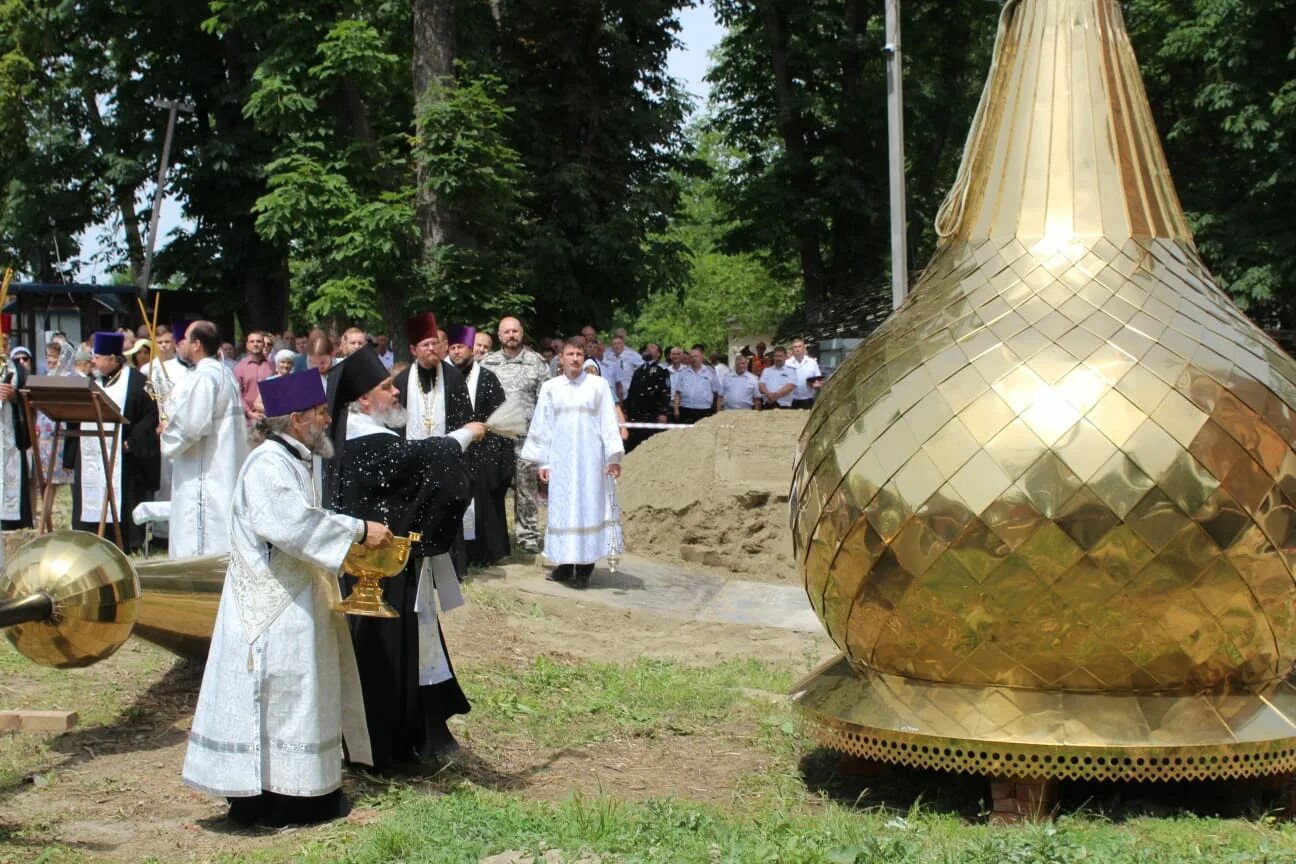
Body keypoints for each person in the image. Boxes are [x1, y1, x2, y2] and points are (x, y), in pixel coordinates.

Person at [182, 369, 391, 827]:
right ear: (296, 419)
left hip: (293, 595)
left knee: (298, 698)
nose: (325, 421)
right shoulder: (267, 465)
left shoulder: (291, 459)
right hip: (270, 608)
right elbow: (293, 525)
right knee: (284, 699)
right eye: (319, 413)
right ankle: (280, 801)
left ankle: (300, 795)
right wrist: (358, 529)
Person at [329, 347, 486, 769]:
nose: (395, 392)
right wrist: (466, 434)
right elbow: (424, 460)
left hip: (358, 571)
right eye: (385, 388)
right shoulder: (367, 441)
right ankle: (389, 747)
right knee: (385, 657)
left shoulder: (346, 439)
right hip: (380, 575)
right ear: (363, 400)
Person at [521, 339, 624, 589]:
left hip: (591, 461)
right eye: (570, 354)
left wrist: (613, 458)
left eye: (579, 354)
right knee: (563, 510)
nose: (575, 358)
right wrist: (543, 461)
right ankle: (565, 566)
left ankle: (585, 568)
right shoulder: (550, 388)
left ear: (584, 357)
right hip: (561, 460)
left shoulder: (598, 386)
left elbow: (608, 423)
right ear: (562, 358)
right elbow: (542, 426)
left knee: (588, 509)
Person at [63, 332, 159, 551]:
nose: (93, 362)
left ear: (113, 359)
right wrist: (69, 457)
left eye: (98, 357)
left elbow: (151, 415)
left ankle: (124, 540)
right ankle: (89, 535)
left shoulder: (139, 381)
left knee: (123, 495)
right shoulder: (90, 381)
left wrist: (133, 442)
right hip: (91, 453)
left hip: (123, 454)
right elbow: (74, 418)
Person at [391, 314, 473, 568]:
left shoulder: (454, 378)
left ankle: (452, 564)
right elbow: (394, 423)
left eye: (435, 344)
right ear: (414, 350)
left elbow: (464, 420)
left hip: (447, 459)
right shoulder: (402, 380)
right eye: (425, 345)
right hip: (413, 461)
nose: (431, 349)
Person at [161, 321, 248, 558]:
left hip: (204, 475)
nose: (182, 344)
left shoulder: (204, 377)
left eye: (186, 339)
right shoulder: (224, 373)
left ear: (197, 344)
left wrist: (166, 431)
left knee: (202, 541)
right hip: (222, 467)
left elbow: (192, 426)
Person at [480, 316, 549, 554]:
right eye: (506, 331)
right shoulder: (487, 363)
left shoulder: (537, 363)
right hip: (495, 439)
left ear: (522, 334)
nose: (511, 335)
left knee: (526, 489)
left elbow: (546, 402)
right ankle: (492, 536)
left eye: (515, 331)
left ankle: (528, 536)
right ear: (499, 336)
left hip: (526, 439)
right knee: (492, 488)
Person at [447, 325, 514, 566]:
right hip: (451, 451)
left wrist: (495, 457)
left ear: (471, 349)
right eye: (453, 347)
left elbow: (500, 420)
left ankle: (482, 553)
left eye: (461, 347)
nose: (457, 352)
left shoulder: (487, 378)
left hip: (482, 452)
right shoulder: (441, 376)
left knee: (484, 504)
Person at [0, 321, 32, 533]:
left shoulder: (17, 369)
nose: (3, 344)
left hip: (9, 435)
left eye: (5, 340)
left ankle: (11, 524)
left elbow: (28, 400)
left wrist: (14, 397)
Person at [621, 343, 671, 452]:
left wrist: (663, 412)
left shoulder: (661, 370)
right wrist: (625, 410)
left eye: (652, 348)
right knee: (632, 445)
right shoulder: (638, 371)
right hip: (635, 415)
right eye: (647, 347)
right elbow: (631, 392)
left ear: (658, 354)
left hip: (652, 414)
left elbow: (665, 392)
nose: (648, 349)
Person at [672, 345, 721, 425]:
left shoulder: (710, 372)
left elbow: (718, 393)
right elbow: (677, 393)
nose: (694, 359)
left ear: (702, 358)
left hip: (704, 410)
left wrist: (718, 411)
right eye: (691, 357)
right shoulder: (683, 373)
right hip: (685, 409)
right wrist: (676, 409)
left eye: (696, 356)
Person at [233, 331, 273, 423]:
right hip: (248, 420)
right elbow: (237, 394)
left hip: (270, 418)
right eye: (252, 341)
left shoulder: (272, 366)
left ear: (264, 344)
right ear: (247, 345)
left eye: (259, 341)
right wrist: (249, 413)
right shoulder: (239, 368)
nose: (255, 344)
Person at [786, 338, 823, 409]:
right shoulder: (787, 363)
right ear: (792, 349)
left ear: (804, 348)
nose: (797, 349)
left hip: (809, 399)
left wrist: (816, 384)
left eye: (800, 346)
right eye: (795, 347)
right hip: (792, 400)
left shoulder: (812, 362)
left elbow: (818, 380)